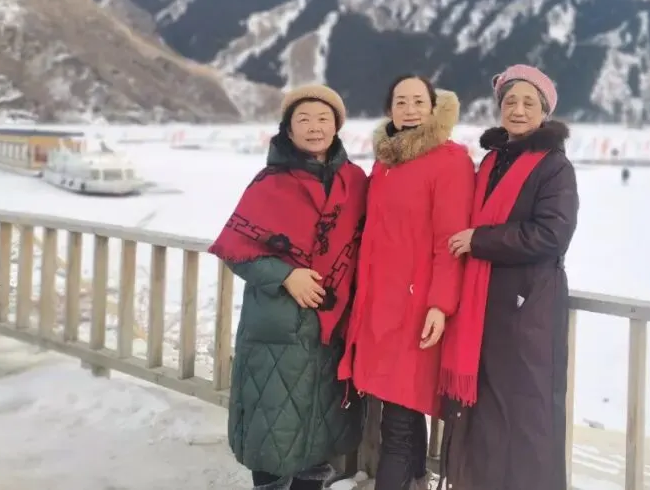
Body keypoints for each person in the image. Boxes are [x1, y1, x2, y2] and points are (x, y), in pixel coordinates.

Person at [208, 84, 368, 490]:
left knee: (318, 435)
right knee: (272, 432)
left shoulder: (354, 182)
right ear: (289, 128)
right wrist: (285, 275)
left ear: (337, 126)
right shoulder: (271, 183)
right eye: (304, 119)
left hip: (333, 329)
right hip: (278, 328)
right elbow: (236, 250)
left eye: (324, 119)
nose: (315, 127)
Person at [441, 63, 579, 490]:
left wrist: (480, 240)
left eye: (529, 103)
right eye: (510, 102)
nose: (518, 110)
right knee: (485, 412)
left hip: (527, 311)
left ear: (545, 111)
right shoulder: (493, 160)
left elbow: (552, 234)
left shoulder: (554, 167)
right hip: (485, 305)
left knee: (526, 416)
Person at [339, 74, 475, 490]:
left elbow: (450, 241)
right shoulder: (386, 161)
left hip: (415, 309)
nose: (410, 109)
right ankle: (416, 479)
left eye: (419, 101)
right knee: (400, 406)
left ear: (433, 108)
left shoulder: (450, 160)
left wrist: (440, 304)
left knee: (398, 416)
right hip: (379, 306)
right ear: (389, 110)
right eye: (401, 101)